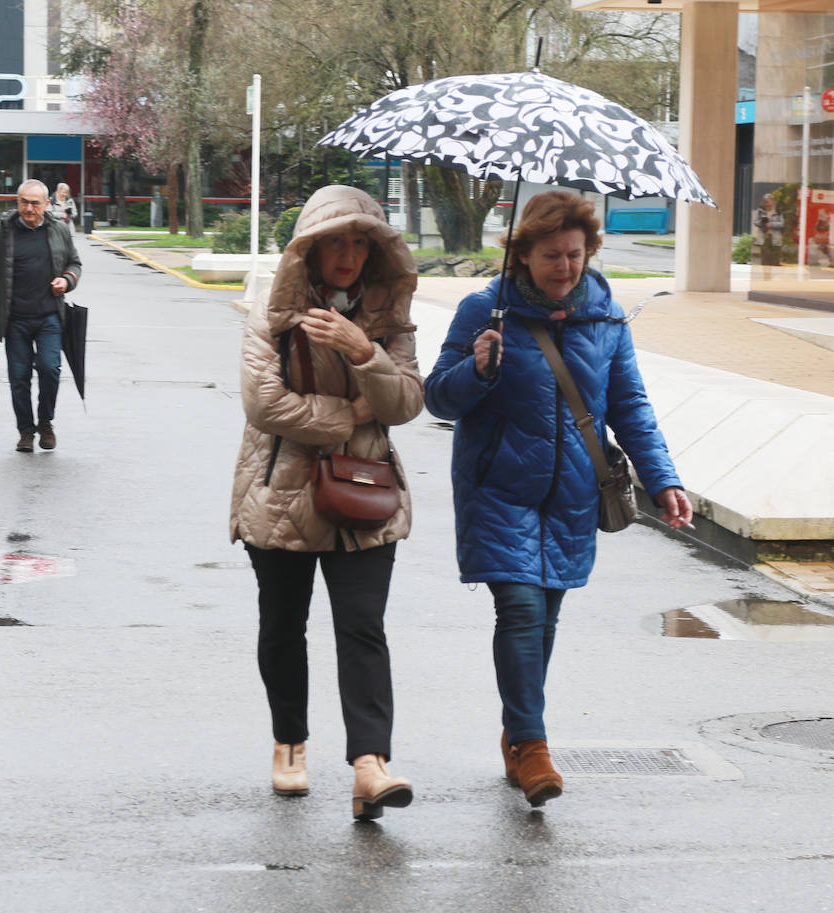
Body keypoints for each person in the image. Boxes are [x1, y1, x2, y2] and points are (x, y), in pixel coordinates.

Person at [424, 190, 692, 808]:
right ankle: (533, 742)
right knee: (519, 609)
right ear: (522, 254)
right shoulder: (482, 312)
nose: (564, 267)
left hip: (572, 491)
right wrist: (479, 369)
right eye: (551, 255)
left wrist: (664, 481)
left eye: (574, 254)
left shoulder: (606, 317)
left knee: (545, 618)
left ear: (590, 251)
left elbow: (629, 407)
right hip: (499, 489)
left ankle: (518, 737)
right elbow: (438, 397)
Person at [229, 184, 423, 821]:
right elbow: (267, 406)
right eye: (335, 241)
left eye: (360, 241)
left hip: (364, 495)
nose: (348, 253)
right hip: (281, 494)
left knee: (363, 628)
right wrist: (353, 412)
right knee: (284, 627)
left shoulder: (387, 318)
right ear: (309, 251)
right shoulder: (273, 315)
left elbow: (407, 403)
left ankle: (371, 764)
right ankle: (290, 742)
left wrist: (362, 351)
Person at [0, 179, 82, 452]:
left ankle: (45, 421)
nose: (29, 208)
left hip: (49, 317)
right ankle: (26, 430)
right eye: (24, 202)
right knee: (19, 377)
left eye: (35, 203)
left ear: (47, 204)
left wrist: (67, 280)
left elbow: (74, 263)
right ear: (17, 202)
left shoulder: (59, 231)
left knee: (50, 369)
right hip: (15, 320)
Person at [753, 193, 784, 268]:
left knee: (775, 261)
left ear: (773, 202)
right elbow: (755, 222)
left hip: (775, 239)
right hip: (764, 239)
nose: (766, 204)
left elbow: (782, 224)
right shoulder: (761, 211)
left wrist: (771, 224)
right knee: (764, 261)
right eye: (765, 202)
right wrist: (762, 223)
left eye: (768, 202)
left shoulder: (778, 212)